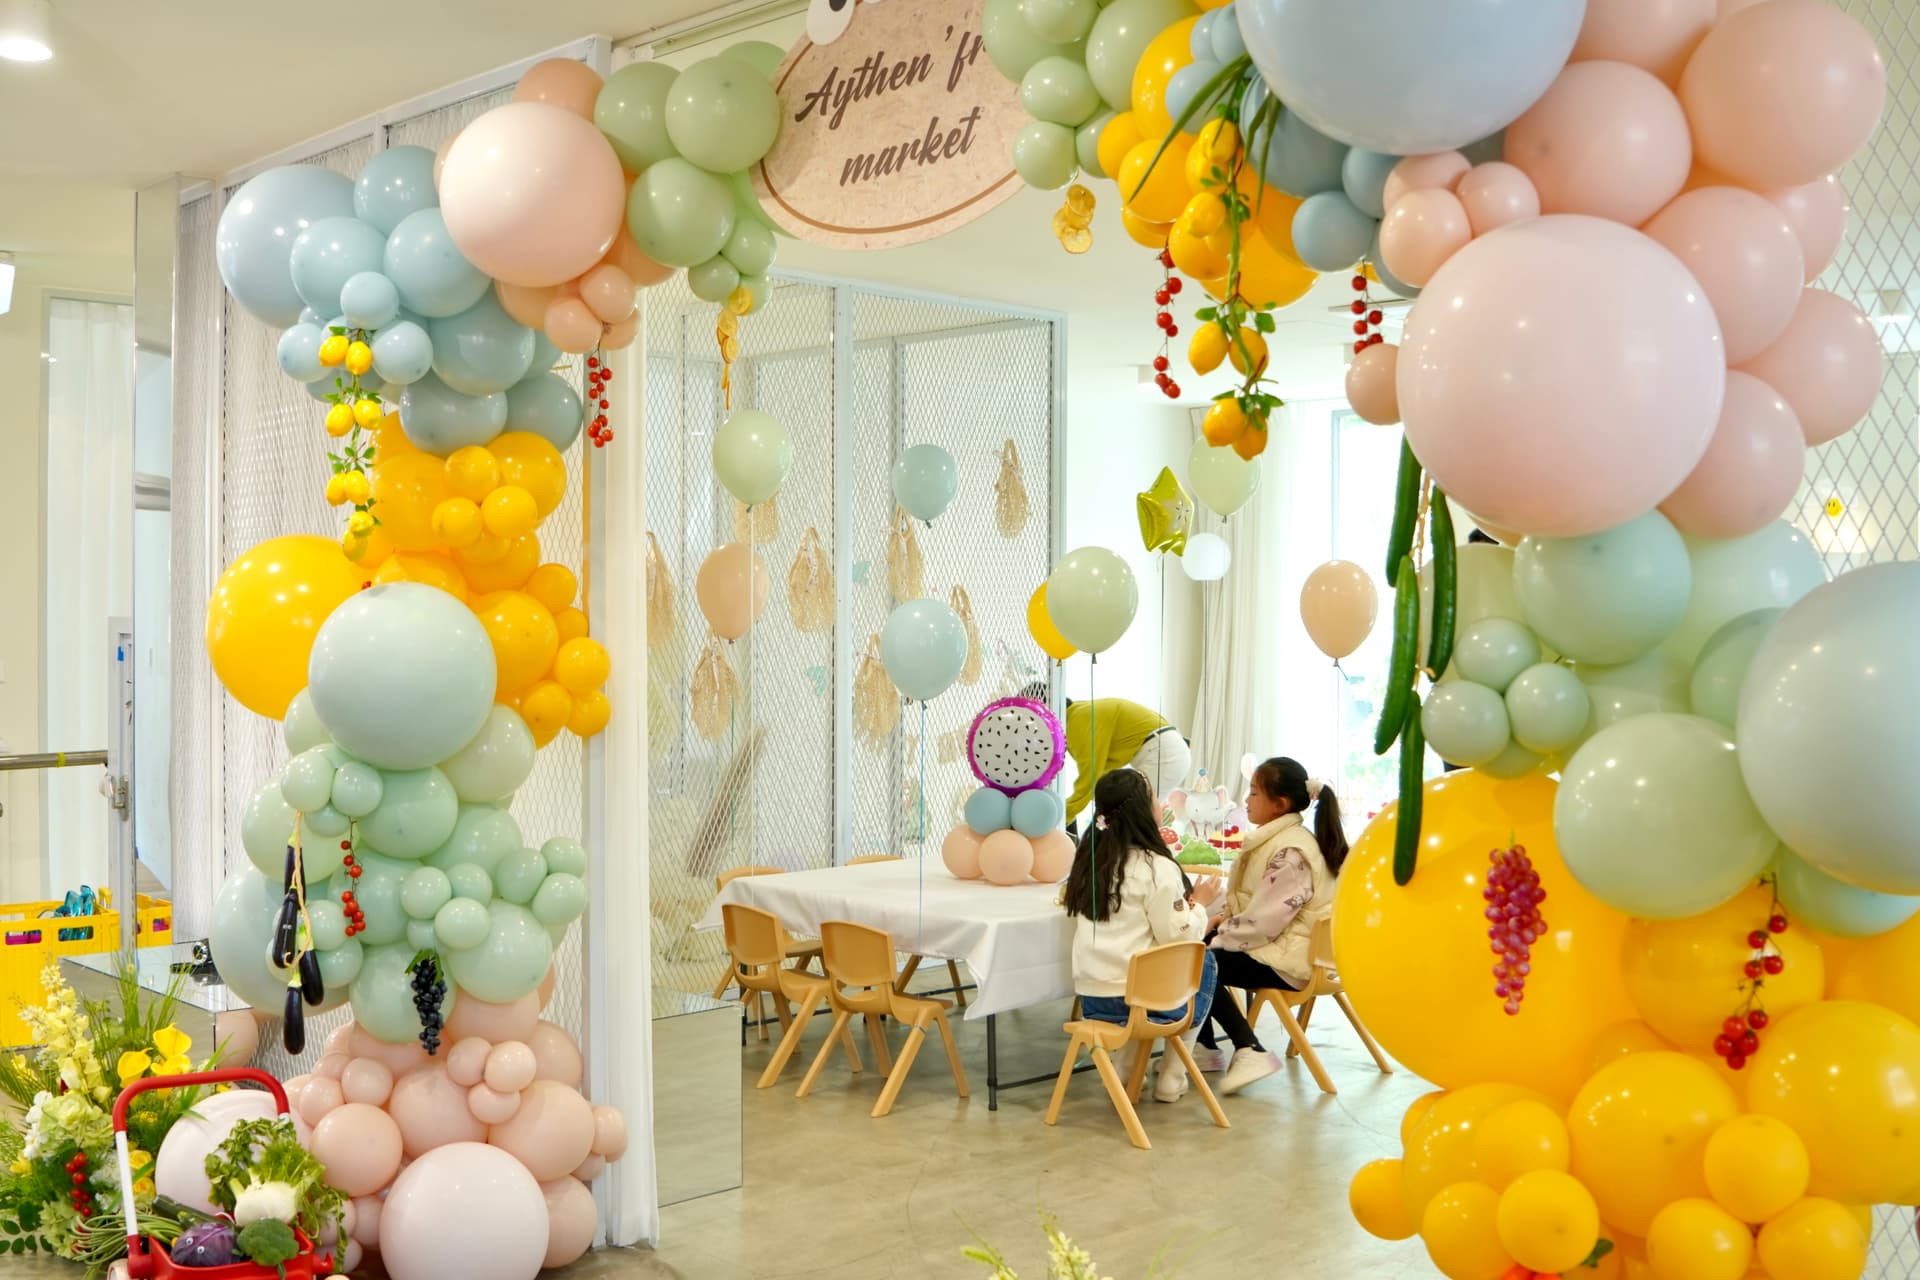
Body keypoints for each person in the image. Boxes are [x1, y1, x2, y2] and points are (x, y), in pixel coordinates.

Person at [1062, 767, 1224, 1103]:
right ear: (1143, 810)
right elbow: (1178, 937)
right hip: (1141, 1003)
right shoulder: (1156, 867)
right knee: (1203, 961)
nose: (1160, 804)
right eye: (1154, 798)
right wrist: (1199, 907)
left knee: (1140, 964)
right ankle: (1173, 1076)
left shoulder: (1088, 862)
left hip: (1093, 1000)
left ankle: (1126, 1068)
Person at [1193, 756, 1349, 1095]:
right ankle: (1206, 1047)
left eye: (1253, 793)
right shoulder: (1288, 840)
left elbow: (1262, 923)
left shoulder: (1290, 851)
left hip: (1289, 962)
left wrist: (1219, 933)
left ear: (1279, 805)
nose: (1246, 800)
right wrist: (1219, 924)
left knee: (1197, 961)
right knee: (1201, 947)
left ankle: (1249, 1048)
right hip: (1290, 950)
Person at [1020, 684, 1193, 831]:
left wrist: (1064, 816)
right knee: (1135, 816)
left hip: (1163, 753)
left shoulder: (1077, 724)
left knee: (1137, 817)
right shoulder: (1078, 714)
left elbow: (1090, 777)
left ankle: (1144, 864)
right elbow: (1100, 774)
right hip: (1165, 750)